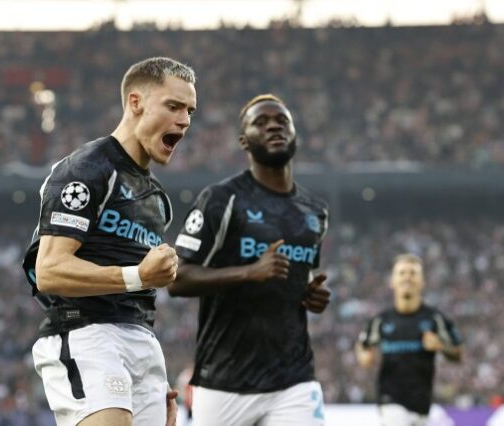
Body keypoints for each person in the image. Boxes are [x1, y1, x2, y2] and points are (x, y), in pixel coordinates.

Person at [22, 57, 196, 426]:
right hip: (85, 331)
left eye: (190, 110)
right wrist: (139, 276)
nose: (185, 120)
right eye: (173, 106)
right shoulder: (86, 169)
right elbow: (49, 270)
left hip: (142, 340)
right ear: (136, 103)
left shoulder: (157, 199)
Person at [168, 94, 331, 426]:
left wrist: (309, 295)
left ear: (295, 134)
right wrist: (248, 272)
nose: (273, 126)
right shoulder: (221, 200)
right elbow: (176, 279)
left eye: (282, 121)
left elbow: (295, 280)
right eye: (261, 122)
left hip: (294, 379)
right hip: (225, 381)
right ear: (245, 141)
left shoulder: (314, 212)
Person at [355, 253, 463, 426]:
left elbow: (458, 353)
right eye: (402, 273)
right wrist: (365, 357)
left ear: (422, 282)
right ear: (392, 281)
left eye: (413, 273)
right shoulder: (381, 321)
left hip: (422, 405)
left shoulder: (435, 319)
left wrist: (441, 346)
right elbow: (363, 345)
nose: (407, 278)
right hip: (390, 402)